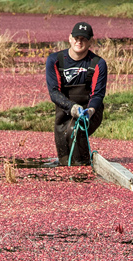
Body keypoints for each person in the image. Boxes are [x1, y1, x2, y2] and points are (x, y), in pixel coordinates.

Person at [45, 22, 108, 166]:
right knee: (64, 158)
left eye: (84, 39)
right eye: (76, 38)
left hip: (90, 110)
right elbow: (54, 93)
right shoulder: (54, 61)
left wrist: (90, 111)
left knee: (75, 130)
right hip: (65, 109)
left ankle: (84, 167)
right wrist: (73, 108)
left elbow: (98, 95)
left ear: (90, 41)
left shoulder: (98, 63)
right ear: (70, 38)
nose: (79, 42)